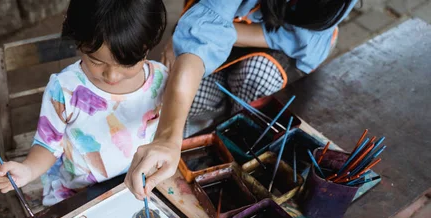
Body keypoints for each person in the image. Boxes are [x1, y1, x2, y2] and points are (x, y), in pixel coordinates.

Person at [125, 0, 359, 200]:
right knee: (185, 96)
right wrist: (169, 137)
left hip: (285, 44)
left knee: (255, 75)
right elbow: (202, 38)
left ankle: (236, 138)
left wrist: (226, 33)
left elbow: (302, 39)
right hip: (230, 20)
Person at [0, 0, 168, 206]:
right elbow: (48, 145)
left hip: (136, 187)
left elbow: (166, 134)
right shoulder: (65, 89)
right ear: (78, 43)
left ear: (148, 46)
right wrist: (28, 170)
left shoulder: (162, 79)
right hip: (78, 194)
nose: (112, 75)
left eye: (127, 63)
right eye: (96, 61)